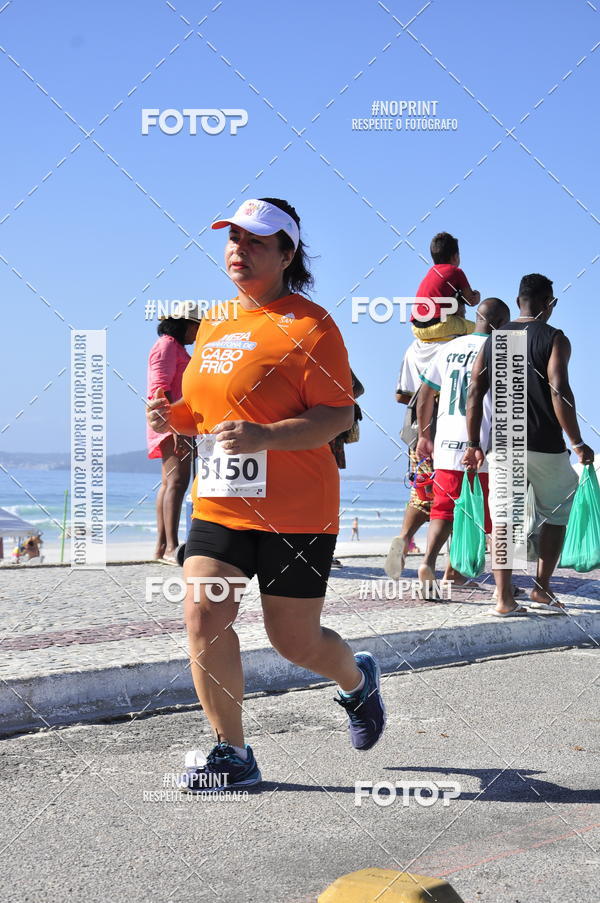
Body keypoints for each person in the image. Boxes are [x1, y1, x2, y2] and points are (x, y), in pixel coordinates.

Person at [146, 197, 385, 790]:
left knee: (294, 642)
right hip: (221, 503)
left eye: (256, 241)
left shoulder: (311, 326)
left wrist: (266, 436)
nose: (240, 249)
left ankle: (357, 682)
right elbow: (206, 409)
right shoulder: (215, 323)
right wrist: (175, 416)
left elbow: (338, 415)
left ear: (286, 254)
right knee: (202, 613)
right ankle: (233, 754)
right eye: (234, 238)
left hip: (297, 511)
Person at [464, 274, 594, 615]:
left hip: (504, 444)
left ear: (518, 301)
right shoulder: (554, 338)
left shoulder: (495, 340)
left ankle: (503, 598)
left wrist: (473, 443)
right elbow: (558, 389)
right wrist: (577, 441)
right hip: (546, 445)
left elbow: (474, 391)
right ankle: (541, 588)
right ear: (548, 304)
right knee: (557, 513)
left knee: (504, 519)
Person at [415, 299, 511, 597]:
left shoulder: (449, 348)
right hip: (483, 445)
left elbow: (425, 394)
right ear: (501, 324)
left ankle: (435, 565)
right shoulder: (503, 351)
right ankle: (503, 588)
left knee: (443, 510)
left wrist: (424, 436)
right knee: (491, 515)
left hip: (446, 443)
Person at [146, 302, 200, 563]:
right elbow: (161, 388)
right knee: (177, 482)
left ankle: (162, 546)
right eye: (197, 327)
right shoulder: (167, 346)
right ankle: (171, 547)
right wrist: (175, 426)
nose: (198, 334)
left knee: (170, 483)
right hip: (171, 422)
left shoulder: (174, 347)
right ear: (187, 325)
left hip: (172, 421)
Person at [411, 232, 480, 343]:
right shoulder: (456, 271)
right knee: (482, 331)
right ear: (455, 257)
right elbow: (471, 301)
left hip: (417, 329)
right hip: (440, 324)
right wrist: (477, 295)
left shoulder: (430, 273)